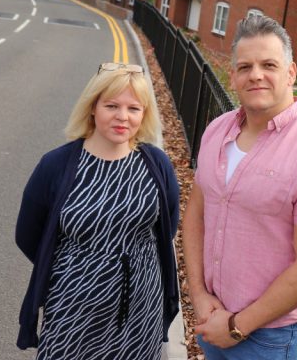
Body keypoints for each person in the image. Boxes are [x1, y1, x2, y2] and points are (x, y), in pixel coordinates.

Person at [181, 15, 297, 359]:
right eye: (244, 66)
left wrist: (237, 326)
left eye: (268, 64)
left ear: (291, 72)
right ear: (232, 76)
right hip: (212, 316)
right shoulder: (217, 131)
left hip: (269, 336)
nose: (255, 74)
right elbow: (195, 216)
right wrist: (200, 296)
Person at [15, 62, 180, 359]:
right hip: (73, 304)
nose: (122, 117)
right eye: (112, 105)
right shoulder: (57, 165)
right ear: (93, 107)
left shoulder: (156, 164)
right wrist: (78, 267)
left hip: (140, 306)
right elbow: (28, 235)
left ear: (144, 114)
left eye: (134, 108)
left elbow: (167, 226)